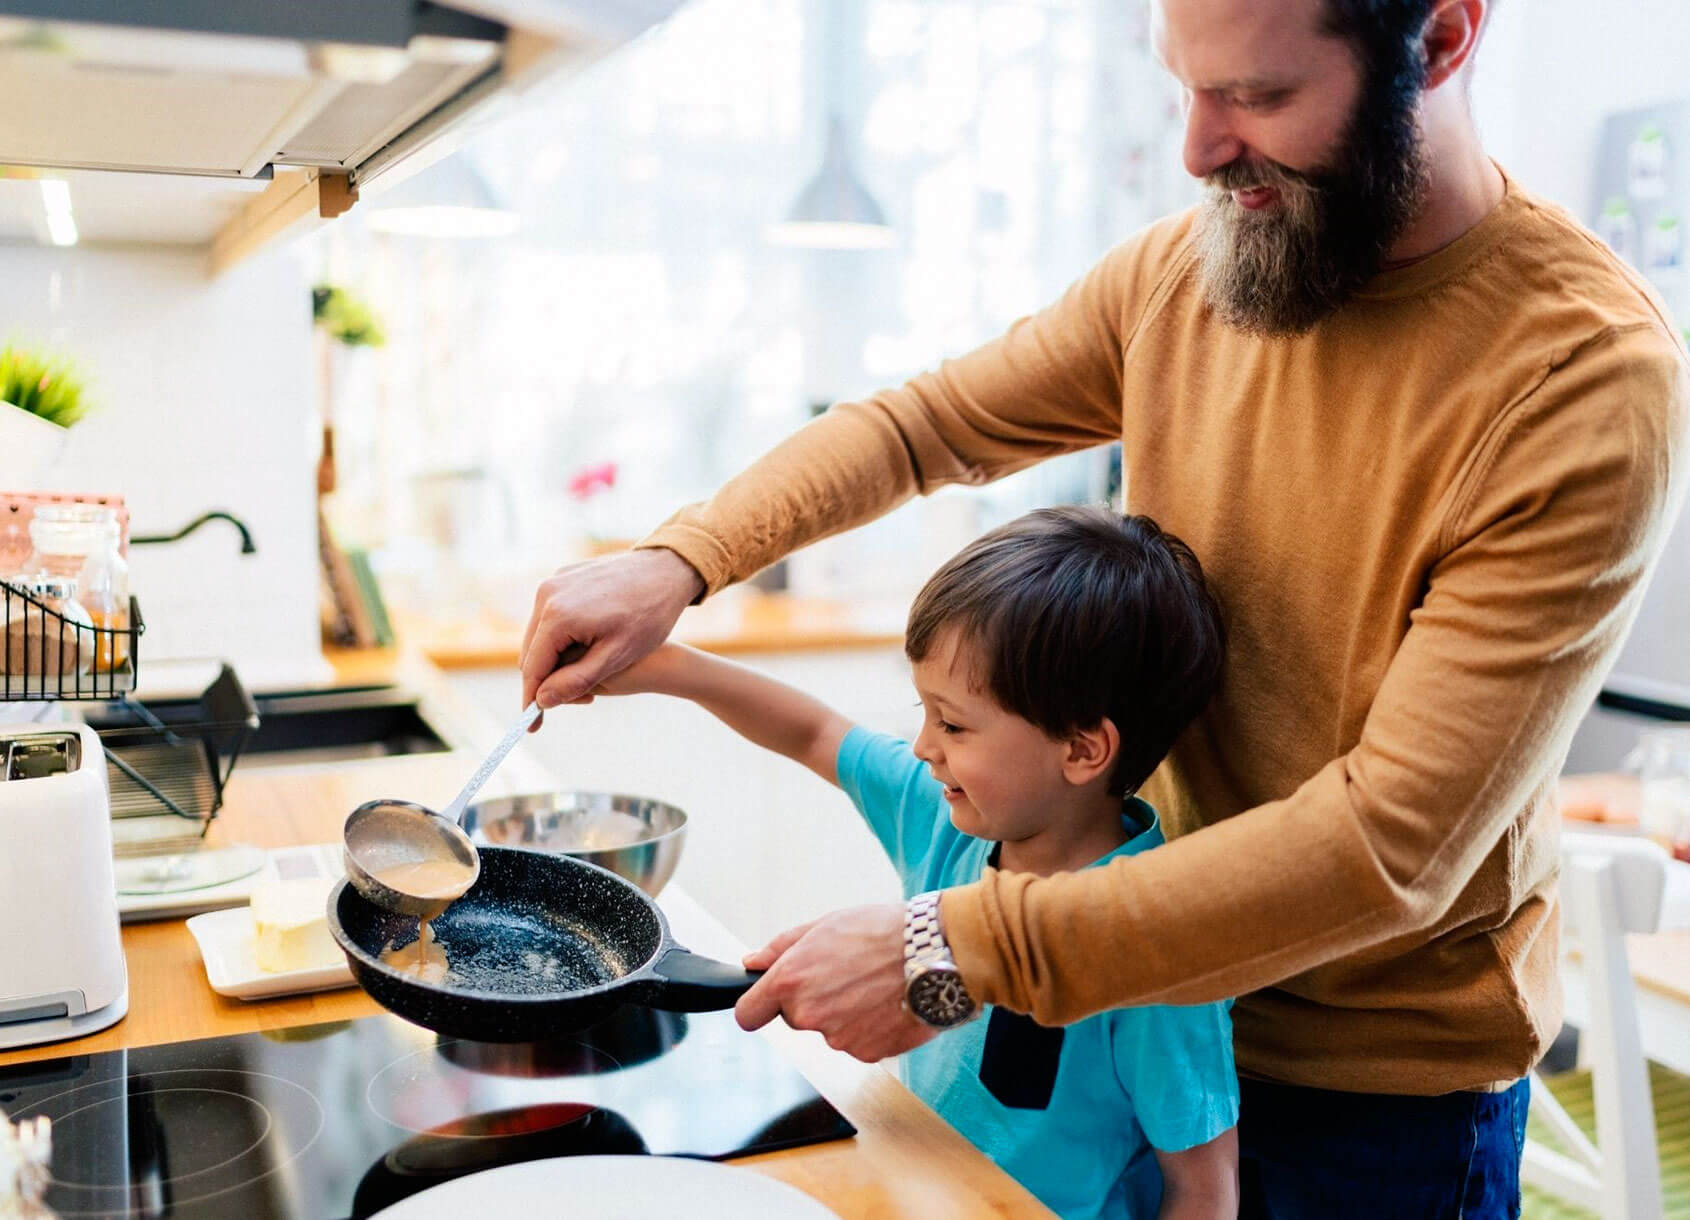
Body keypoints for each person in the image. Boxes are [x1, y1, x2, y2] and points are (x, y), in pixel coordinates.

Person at [519, 0, 1689, 1213]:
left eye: (1259, 96)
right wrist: (681, 560)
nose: (1196, 148)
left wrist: (958, 943)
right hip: (1127, 1000)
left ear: (1441, 39)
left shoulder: (1583, 377)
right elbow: (925, 426)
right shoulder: (1187, 270)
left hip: (1367, 1094)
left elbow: (1388, 845)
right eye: (1180, 85)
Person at [589, 507, 1239, 1220]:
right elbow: (813, 730)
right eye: (922, 710)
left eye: (954, 723)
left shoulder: (1162, 955)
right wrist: (666, 666)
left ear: (1083, 750)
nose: (924, 746)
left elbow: (1203, 1187)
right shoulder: (945, 817)